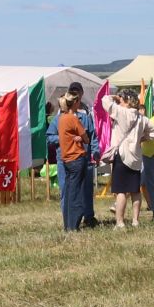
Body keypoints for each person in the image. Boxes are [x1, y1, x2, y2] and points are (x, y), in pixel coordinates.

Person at [104, 90, 146, 228]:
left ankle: (120, 222)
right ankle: (135, 221)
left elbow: (105, 101)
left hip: (121, 155)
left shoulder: (121, 113)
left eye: (121, 99)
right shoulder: (141, 118)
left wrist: (113, 97)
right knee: (135, 191)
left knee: (121, 191)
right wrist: (142, 138)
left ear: (127, 101)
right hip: (135, 157)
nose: (119, 101)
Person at [56, 87, 92, 232]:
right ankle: (74, 225)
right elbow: (86, 139)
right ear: (75, 103)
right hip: (77, 157)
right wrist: (80, 138)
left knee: (70, 192)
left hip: (67, 159)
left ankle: (68, 225)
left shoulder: (61, 119)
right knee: (77, 193)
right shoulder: (73, 118)